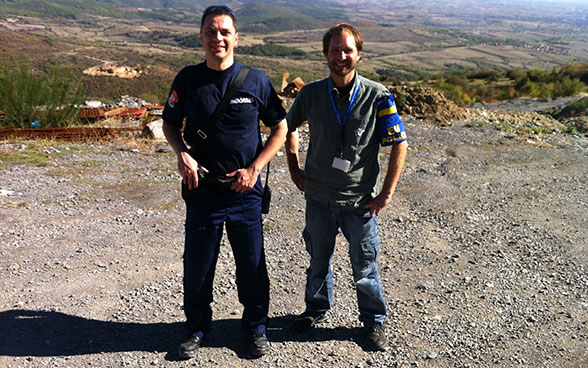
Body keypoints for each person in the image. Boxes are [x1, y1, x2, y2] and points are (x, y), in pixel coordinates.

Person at [161, 5, 287, 359]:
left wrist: (256, 168)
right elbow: (170, 122)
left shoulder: (256, 81)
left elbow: (281, 127)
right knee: (198, 266)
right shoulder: (187, 80)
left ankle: (256, 328)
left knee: (252, 265)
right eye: (210, 32)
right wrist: (181, 152)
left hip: (245, 192)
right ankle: (197, 328)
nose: (217, 38)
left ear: (236, 37)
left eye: (224, 32)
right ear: (200, 36)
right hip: (202, 191)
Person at [285, 23, 408, 352]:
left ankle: (373, 321)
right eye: (335, 50)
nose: (341, 56)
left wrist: (387, 193)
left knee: (365, 265)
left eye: (347, 50)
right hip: (319, 198)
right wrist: (293, 165)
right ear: (325, 54)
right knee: (318, 260)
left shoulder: (378, 95)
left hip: (360, 201)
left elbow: (399, 143)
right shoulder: (310, 93)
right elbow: (287, 126)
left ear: (359, 55)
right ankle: (315, 310)